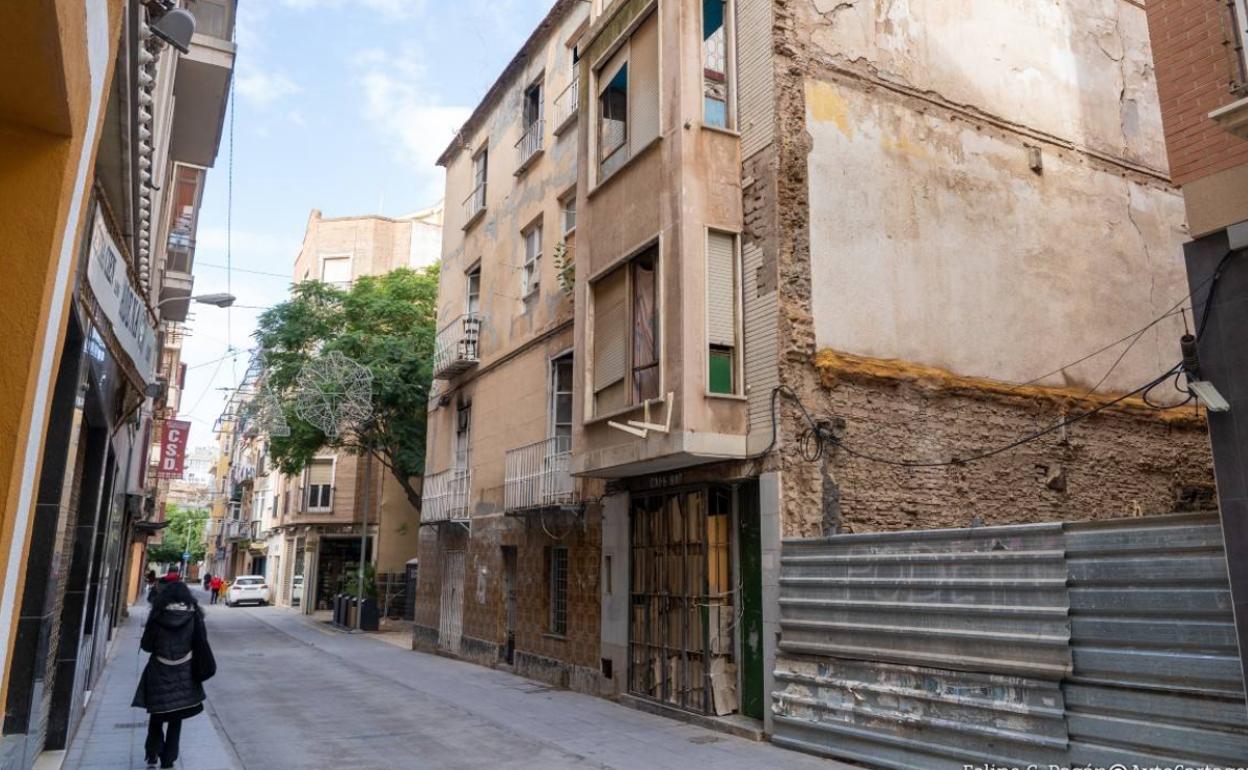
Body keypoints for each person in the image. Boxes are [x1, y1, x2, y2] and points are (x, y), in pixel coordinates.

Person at [132, 579, 215, 769]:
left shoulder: (158, 615)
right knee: (176, 716)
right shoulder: (194, 616)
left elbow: (146, 645)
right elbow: (200, 642)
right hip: (184, 671)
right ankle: (168, 759)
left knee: (157, 712)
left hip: (159, 670)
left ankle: (152, 752)